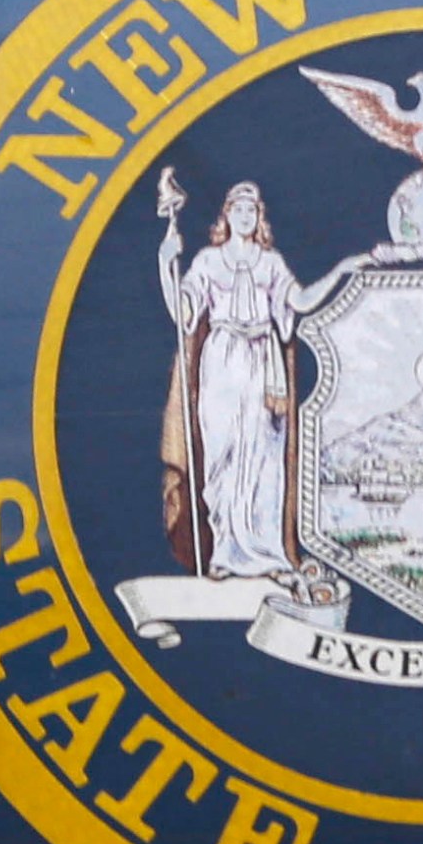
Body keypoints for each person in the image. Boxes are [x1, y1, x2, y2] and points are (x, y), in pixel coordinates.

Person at [158, 179, 301, 578]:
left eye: (251, 210)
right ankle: (223, 551)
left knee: (262, 459)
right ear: (226, 215)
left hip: (261, 362)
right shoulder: (206, 261)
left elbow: (299, 302)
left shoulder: (271, 263)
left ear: (259, 219)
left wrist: (345, 271)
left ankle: (266, 553)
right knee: (221, 454)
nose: (244, 216)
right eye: (237, 209)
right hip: (221, 360)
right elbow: (182, 314)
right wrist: (164, 262)